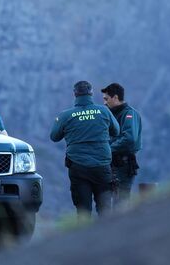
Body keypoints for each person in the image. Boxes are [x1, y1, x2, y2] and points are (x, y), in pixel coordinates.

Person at [50, 80, 119, 219]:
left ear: (74, 94)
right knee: (105, 210)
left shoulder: (66, 115)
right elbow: (116, 131)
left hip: (78, 167)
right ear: (91, 93)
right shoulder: (104, 111)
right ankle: (108, 239)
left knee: (83, 211)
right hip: (102, 166)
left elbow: (54, 137)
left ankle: (85, 239)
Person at [101, 82, 142, 203]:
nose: (104, 102)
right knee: (112, 201)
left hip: (123, 165)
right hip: (112, 164)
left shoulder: (129, 114)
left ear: (115, 97)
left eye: (106, 99)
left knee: (121, 201)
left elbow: (129, 139)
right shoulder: (111, 114)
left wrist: (107, 148)